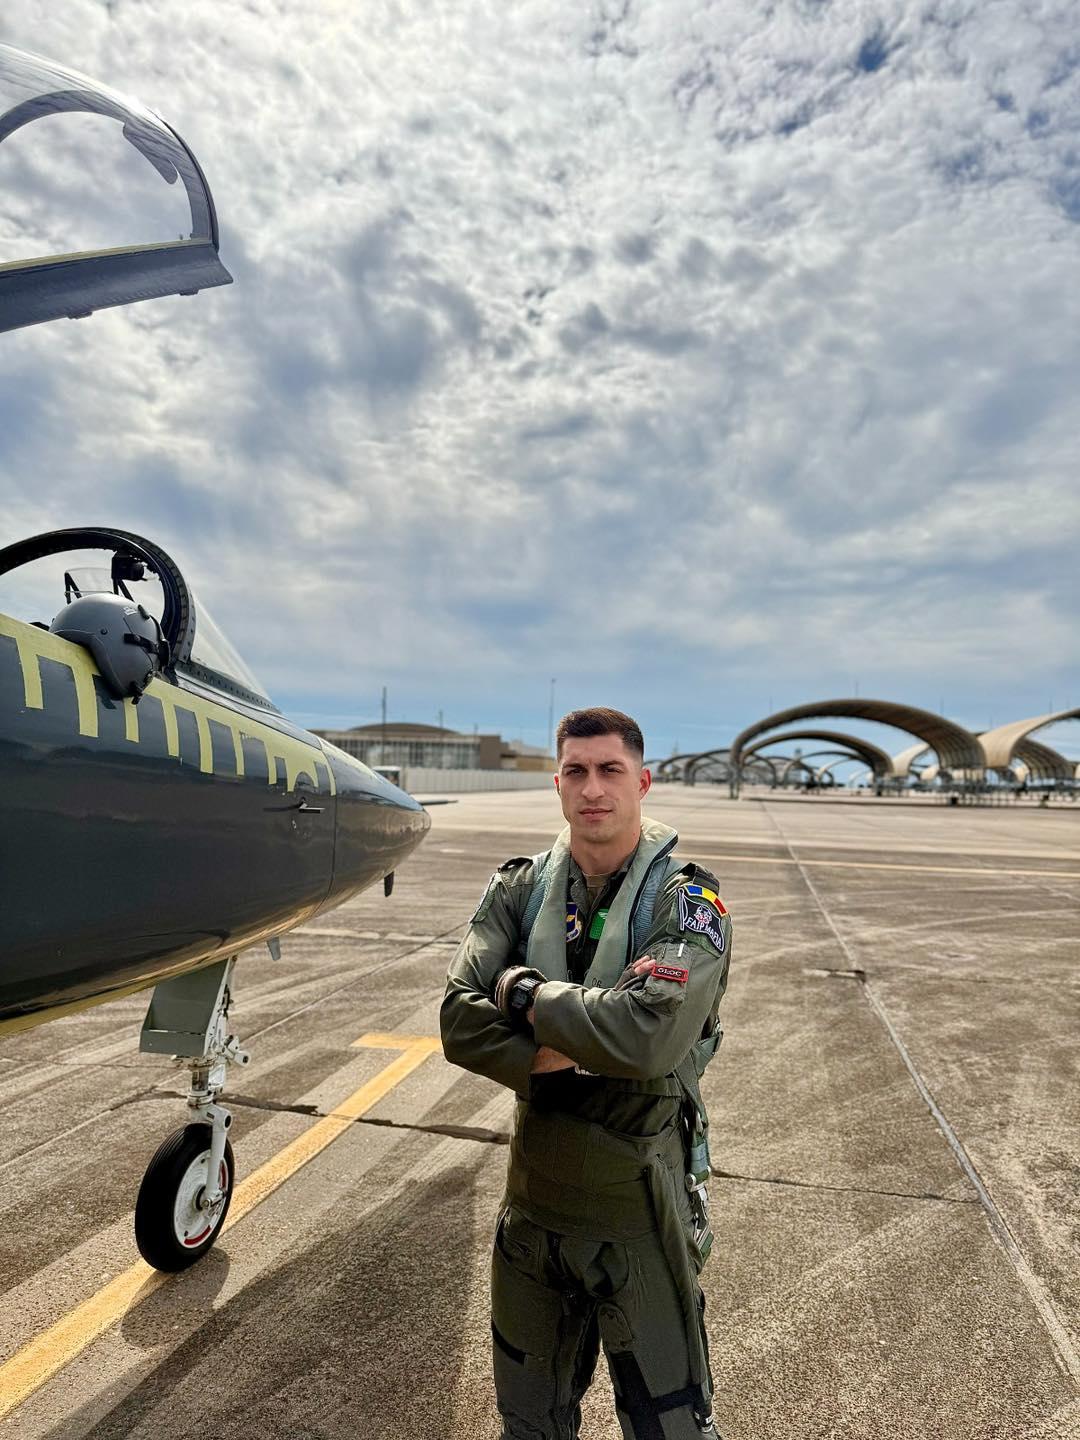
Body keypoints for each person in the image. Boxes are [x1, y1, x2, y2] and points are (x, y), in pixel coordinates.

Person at [441, 707, 732, 1440]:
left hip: (636, 1214)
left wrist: (524, 996)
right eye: (576, 771)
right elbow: (457, 1020)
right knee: (528, 1426)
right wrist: (560, 1052)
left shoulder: (686, 901)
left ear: (643, 781)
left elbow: (649, 1037)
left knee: (668, 1427)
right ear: (558, 783)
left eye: (609, 770)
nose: (592, 788)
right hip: (532, 1213)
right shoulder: (520, 889)